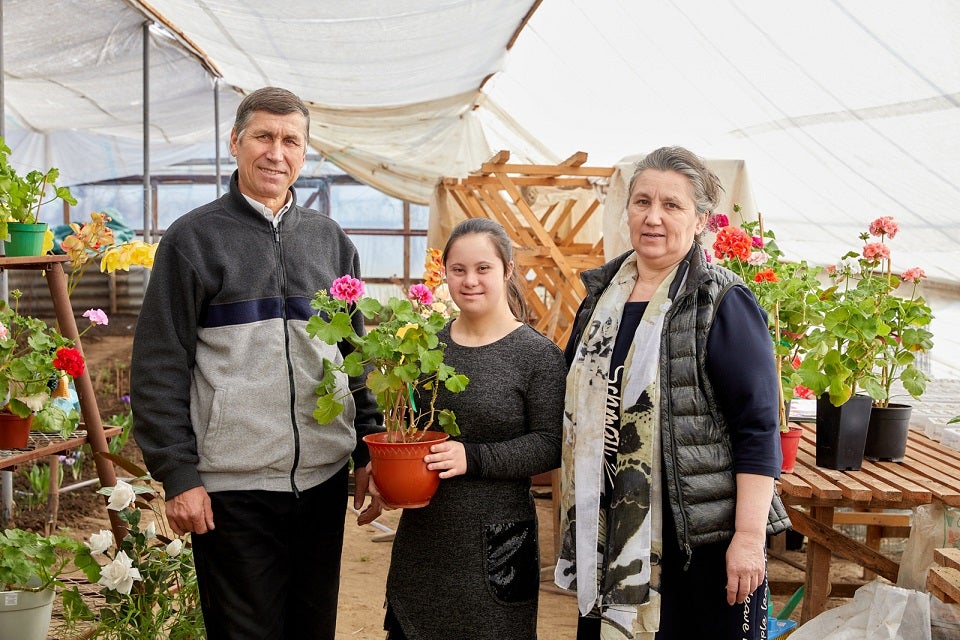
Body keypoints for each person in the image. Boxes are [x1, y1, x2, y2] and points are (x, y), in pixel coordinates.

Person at [130, 86, 383, 639]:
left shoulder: (330, 241)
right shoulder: (193, 240)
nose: (276, 152)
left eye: (291, 140)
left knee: (312, 629)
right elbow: (158, 365)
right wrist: (178, 476)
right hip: (231, 488)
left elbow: (353, 355)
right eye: (263, 136)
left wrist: (368, 447)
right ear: (235, 143)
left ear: (305, 152)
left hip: (320, 481)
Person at [555, 146, 790, 639]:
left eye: (672, 205)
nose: (653, 217)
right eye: (642, 202)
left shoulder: (721, 302)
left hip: (696, 545)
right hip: (609, 536)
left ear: (702, 219)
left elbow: (758, 426)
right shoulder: (602, 297)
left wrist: (749, 538)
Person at [369, 218, 566, 640]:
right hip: (425, 539)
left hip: (497, 546)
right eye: (458, 270)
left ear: (507, 270)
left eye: (483, 269)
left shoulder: (538, 356)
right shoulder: (424, 348)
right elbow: (406, 431)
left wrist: (472, 457)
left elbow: (550, 446)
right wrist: (384, 473)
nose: (470, 281)